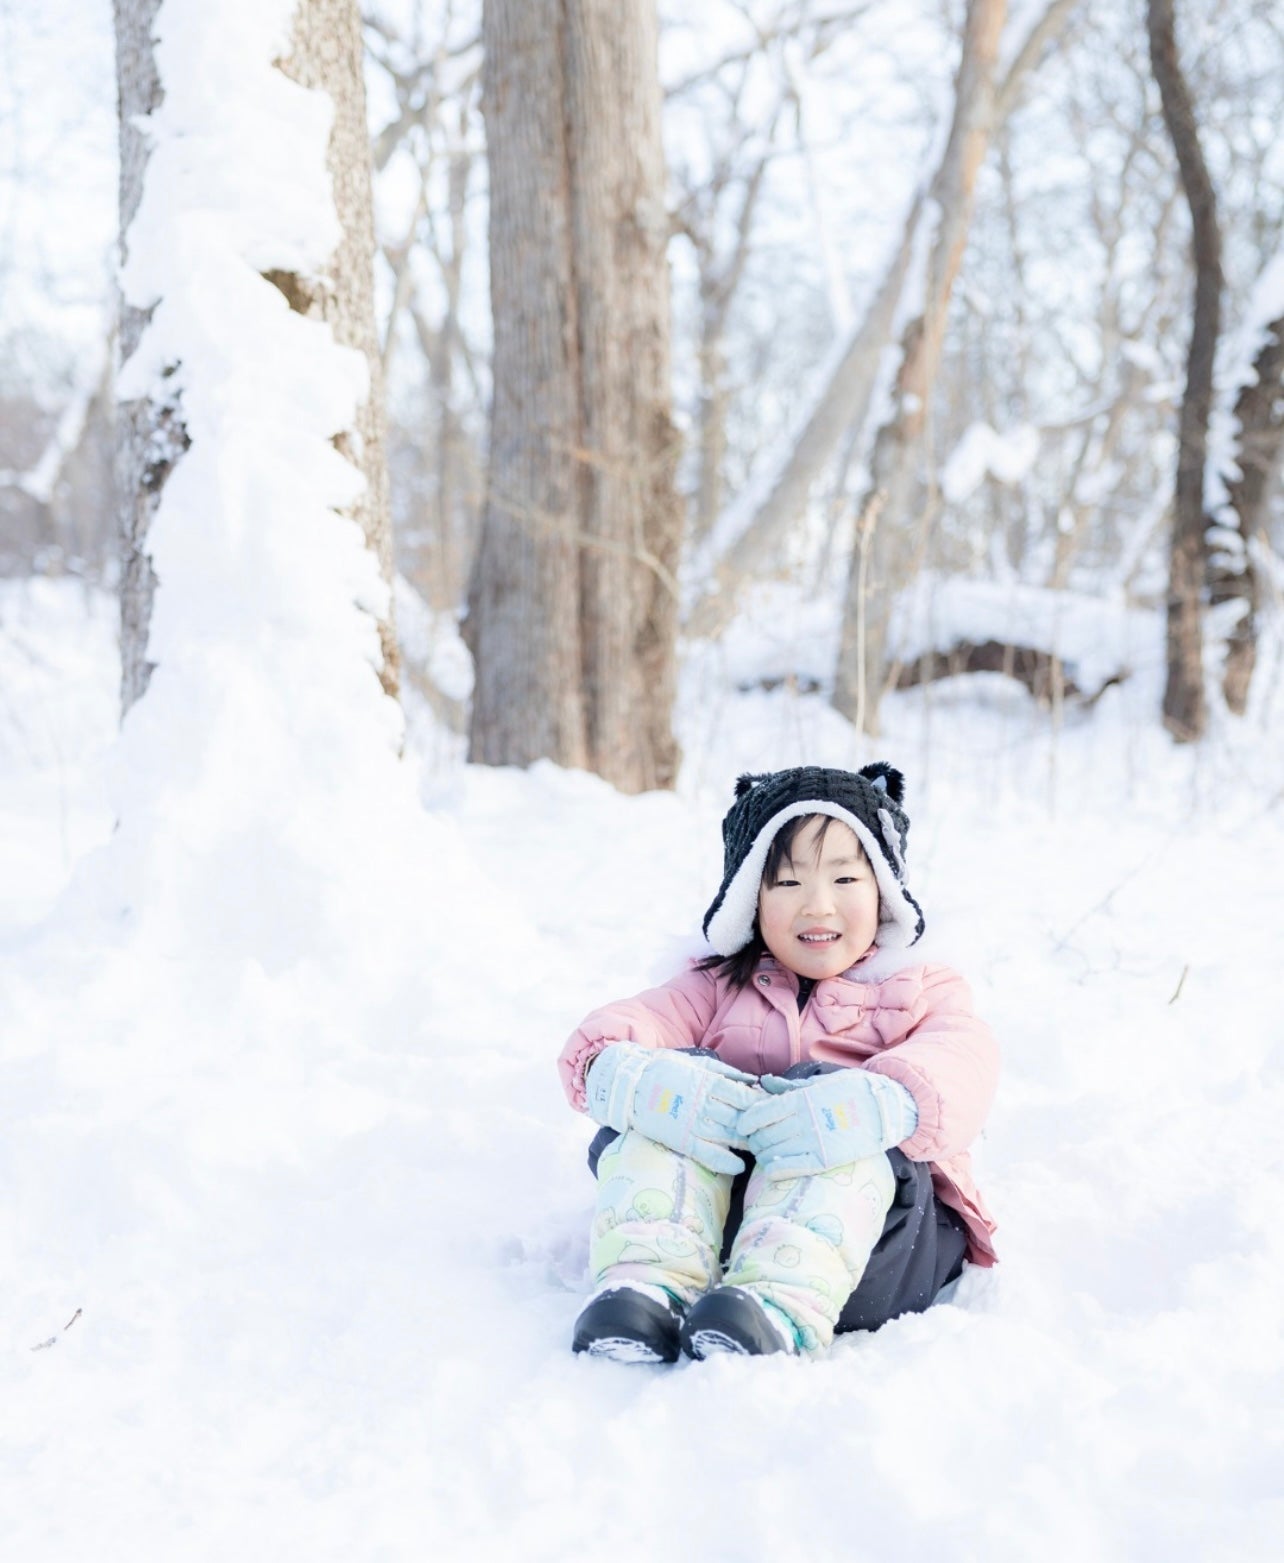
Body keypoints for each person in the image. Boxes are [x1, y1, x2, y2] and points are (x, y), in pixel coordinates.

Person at [557, 763, 999, 1363]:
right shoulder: (713, 986)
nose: (819, 906)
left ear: (883, 892)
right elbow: (631, 1025)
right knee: (672, 1090)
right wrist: (619, 1072)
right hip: (728, 1232)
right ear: (750, 899)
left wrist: (885, 1102)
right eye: (788, 884)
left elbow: (963, 1059)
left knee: (823, 1090)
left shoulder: (920, 989)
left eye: (845, 878)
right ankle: (648, 1287)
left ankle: (778, 1309)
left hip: (881, 1249)